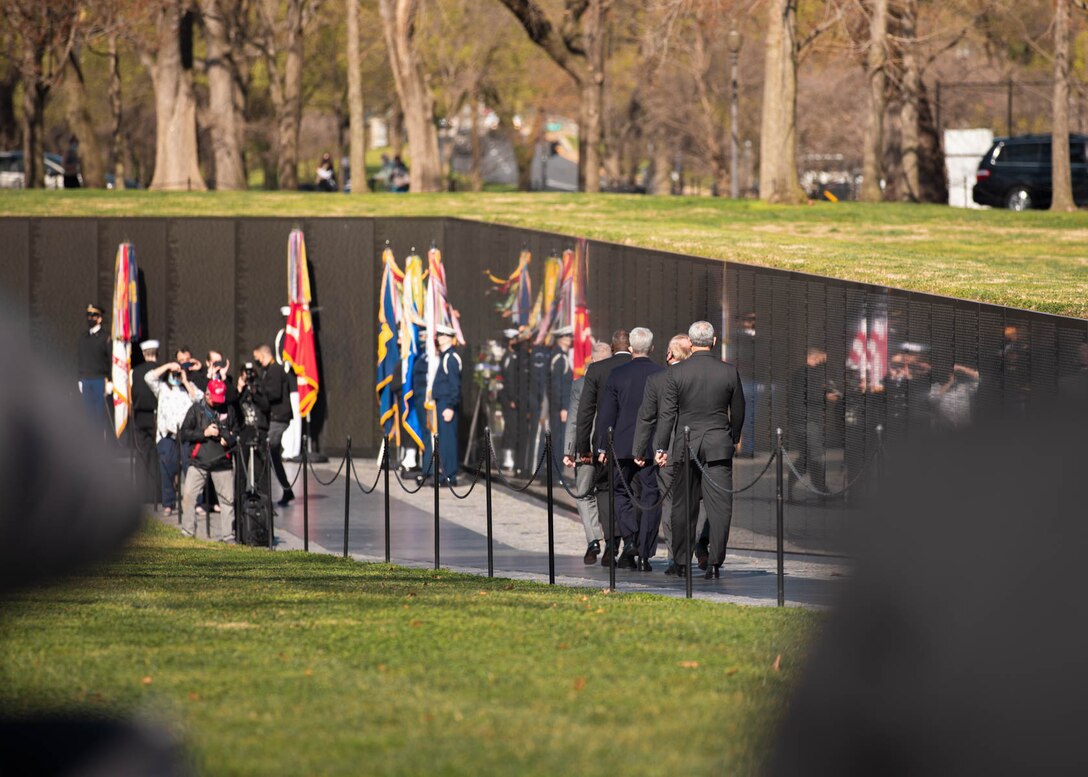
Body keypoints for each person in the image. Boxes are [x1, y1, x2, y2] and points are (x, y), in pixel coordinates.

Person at [653, 321, 745, 580]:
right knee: (720, 507)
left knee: (683, 505)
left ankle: (681, 561)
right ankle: (715, 561)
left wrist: (662, 447)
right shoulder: (729, 372)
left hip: (686, 444)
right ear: (714, 342)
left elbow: (668, 414)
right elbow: (738, 410)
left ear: (691, 344)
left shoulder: (676, 373)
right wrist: (733, 438)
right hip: (718, 444)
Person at [596, 327, 664, 571]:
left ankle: (630, 537)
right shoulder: (661, 373)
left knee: (618, 491)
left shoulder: (617, 374)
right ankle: (645, 553)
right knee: (650, 496)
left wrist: (603, 445)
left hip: (623, 445)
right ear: (652, 348)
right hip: (652, 446)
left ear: (632, 349)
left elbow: (607, 414)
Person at [633, 333, 696, 575]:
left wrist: (639, 450)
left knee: (670, 504)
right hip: (696, 448)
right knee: (693, 503)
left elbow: (646, 417)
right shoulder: (697, 376)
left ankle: (675, 557)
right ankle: (688, 554)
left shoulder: (657, 379)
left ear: (669, 354)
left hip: (668, 450)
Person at [574, 330, 632, 565]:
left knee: (606, 492)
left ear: (611, 345)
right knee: (632, 492)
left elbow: (585, 412)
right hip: (636, 441)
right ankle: (631, 542)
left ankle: (611, 544)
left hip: (605, 443)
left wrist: (583, 447)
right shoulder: (648, 368)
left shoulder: (598, 370)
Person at [564, 341, 610, 564]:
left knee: (584, 494)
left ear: (592, 359)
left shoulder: (581, 384)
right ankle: (612, 542)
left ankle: (593, 539)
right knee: (610, 494)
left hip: (586, 449)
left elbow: (574, 419)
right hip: (611, 448)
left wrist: (569, 450)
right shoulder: (617, 379)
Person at [178, 378, 238, 541]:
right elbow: (184, 434)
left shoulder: (229, 410)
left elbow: (237, 433)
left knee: (227, 501)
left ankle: (228, 536)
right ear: (207, 394)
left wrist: (229, 440)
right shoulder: (196, 410)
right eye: (214, 400)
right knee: (189, 497)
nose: (217, 403)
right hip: (199, 462)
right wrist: (204, 433)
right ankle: (188, 533)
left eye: (221, 400)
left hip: (222, 463)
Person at [145, 359, 203, 516]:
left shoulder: (188, 388)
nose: (175, 376)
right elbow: (148, 377)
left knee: (191, 468)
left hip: (186, 435)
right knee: (167, 468)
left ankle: (197, 502)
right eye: (174, 374)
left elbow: (199, 398)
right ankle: (168, 503)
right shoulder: (163, 388)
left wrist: (185, 380)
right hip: (167, 435)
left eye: (178, 373)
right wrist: (168, 366)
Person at [787, 345, 840, 500]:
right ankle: (822, 490)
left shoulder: (800, 374)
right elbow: (811, 396)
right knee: (814, 456)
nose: (824, 362)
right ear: (816, 357)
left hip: (801, 420)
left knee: (805, 457)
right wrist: (827, 397)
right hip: (808, 420)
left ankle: (790, 488)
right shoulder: (808, 374)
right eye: (823, 359)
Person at [252, 344, 294, 506]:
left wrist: (260, 391)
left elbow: (274, 393)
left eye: (258, 359)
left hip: (278, 417)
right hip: (274, 417)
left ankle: (265, 492)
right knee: (273, 454)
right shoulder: (269, 371)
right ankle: (286, 490)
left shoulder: (275, 370)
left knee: (267, 451)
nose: (257, 362)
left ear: (263, 355)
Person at [419, 326, 462, 485]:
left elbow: (454, 385)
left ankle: (450, 475)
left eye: (442, 335)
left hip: (446, 404)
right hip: (442, 403)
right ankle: (445, 473)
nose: (439, 338)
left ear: (449, 337)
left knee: (448, 441)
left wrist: (450, 406)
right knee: (443, 441)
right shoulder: (445, 357)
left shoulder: (451, 358)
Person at [130, 339, 162, 504]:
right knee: (156, 456)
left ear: (143, 354)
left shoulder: (134, 372)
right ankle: (156, 494)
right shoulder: (161, 370)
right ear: (157, 353)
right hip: (156, 417)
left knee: (142, 456)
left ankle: (142, 494)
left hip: (139, 416)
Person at [77, 303, 111, 433]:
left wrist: (110, 380)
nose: (90, 318)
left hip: (100, 379)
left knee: (99, 415)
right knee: (88, 415)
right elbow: (81, 359)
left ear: (100, 318)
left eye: (93, 315)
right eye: (88, 315)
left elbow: (109, 359)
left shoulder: (105, 337)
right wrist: (79, 378)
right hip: (86, 379)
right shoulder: (84, 338)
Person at [548, 326, 574, 450]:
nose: (570, 339)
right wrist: (563, 407)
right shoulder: (559, 358)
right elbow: (557, 385)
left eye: (570, 336)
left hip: (560, 405)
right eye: (566, 336)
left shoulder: (562, 357)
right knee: (558, 439)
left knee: (559, 439)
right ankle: (555, 468)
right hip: (559, 407)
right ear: (559, 339)